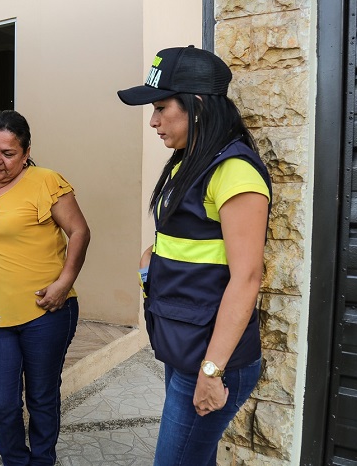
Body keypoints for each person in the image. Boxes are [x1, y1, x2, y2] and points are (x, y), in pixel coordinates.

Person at [117, 46, 272, 465]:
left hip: (209, 356)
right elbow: (190, 236)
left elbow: (246, 279)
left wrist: (211, 372)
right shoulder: (186, 162)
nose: (153, 121)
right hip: (185, 345)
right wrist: (154, 254)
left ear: (198, 105)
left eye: (161, 108)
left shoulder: (233, 171)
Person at [0, 110, 90, 465]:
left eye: (8, 153)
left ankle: (42, 460)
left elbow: (79, 232)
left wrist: (64, 283)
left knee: (41, 396)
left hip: (47, 310)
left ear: (26, 153)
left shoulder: (46, 181)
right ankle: (15, 460)